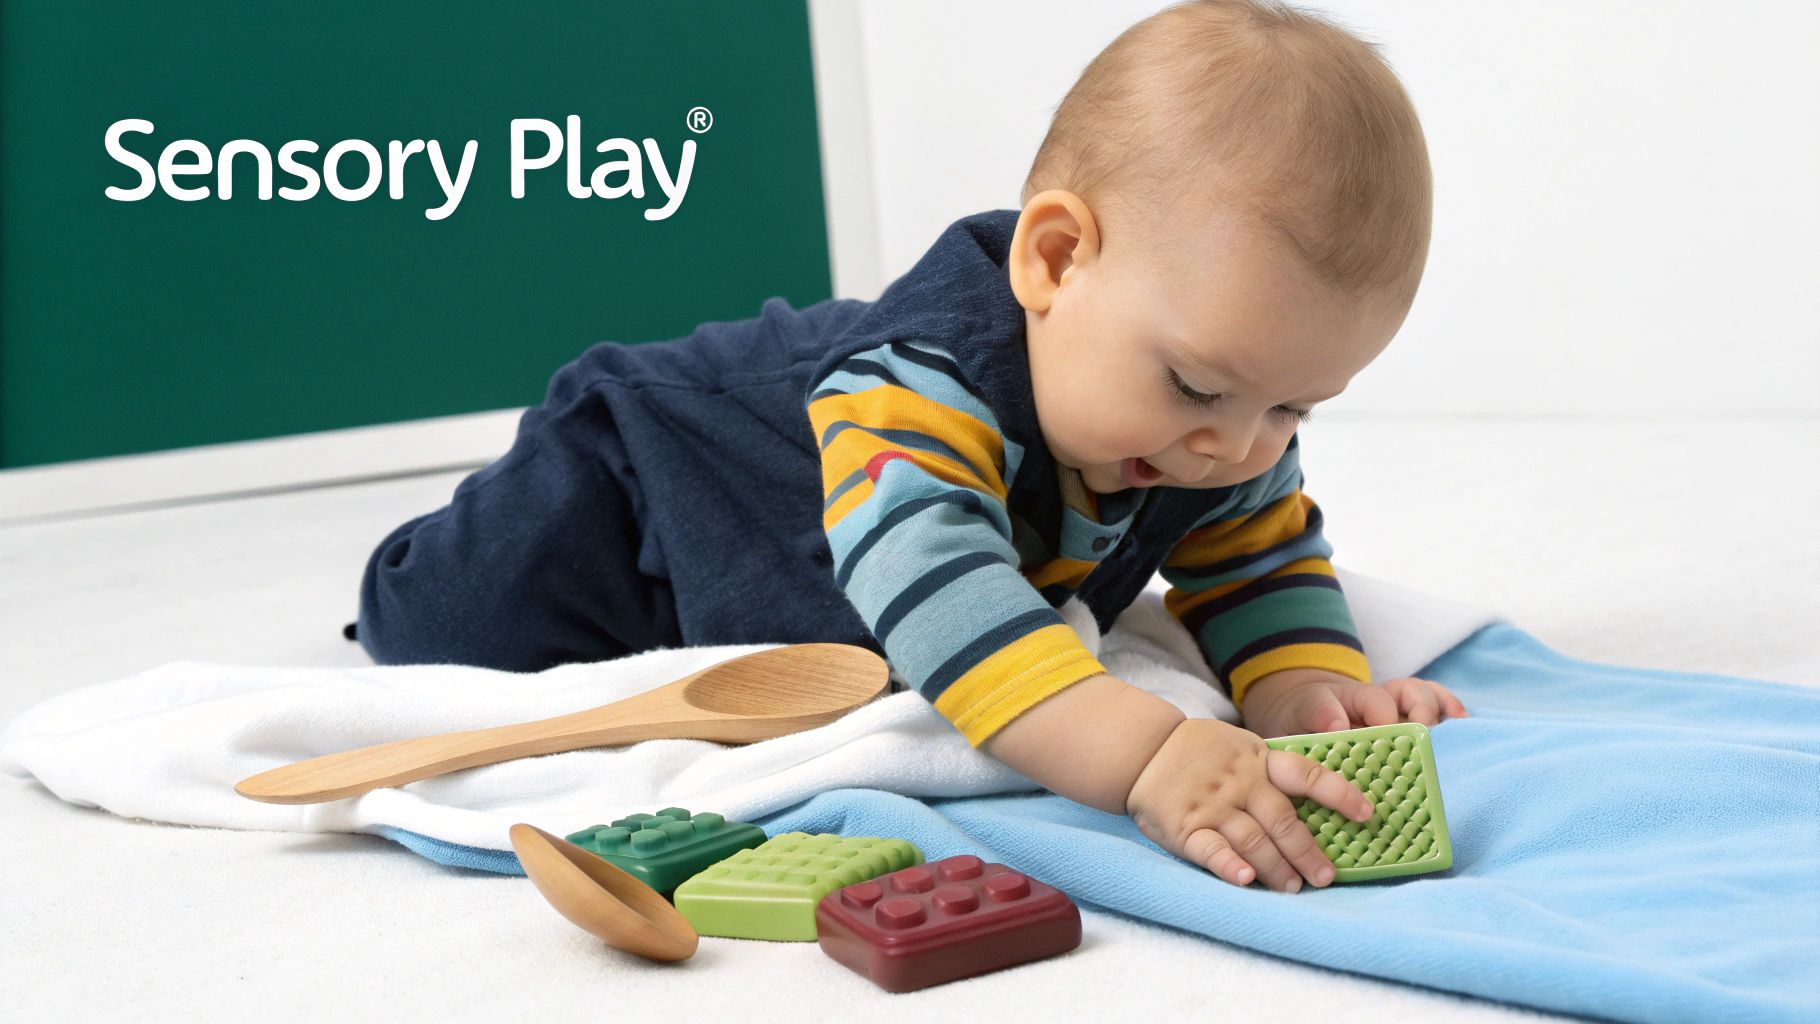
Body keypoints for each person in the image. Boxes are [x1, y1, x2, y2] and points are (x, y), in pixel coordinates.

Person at [352, 0, 1468, 894]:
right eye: (1196, 386)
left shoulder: (1220, 418)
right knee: (443, 624)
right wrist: (1145, 754)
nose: (1233, 445)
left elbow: (1259, 559)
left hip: (783, 585)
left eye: (1293, 409)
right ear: (1054, 261)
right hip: (641, 471)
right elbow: (943, 593)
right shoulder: (918, 386)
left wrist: (1306, 689)